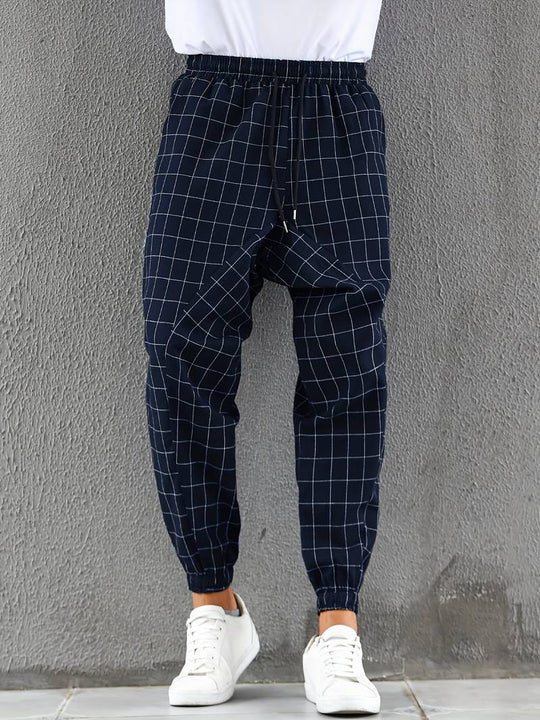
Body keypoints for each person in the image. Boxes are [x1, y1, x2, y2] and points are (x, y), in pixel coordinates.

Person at [142, 0, 391, 714]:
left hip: (335, 104)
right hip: (214, 101)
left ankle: (337, 626)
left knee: (348, 366)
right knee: (179, 346)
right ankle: (214, 609)